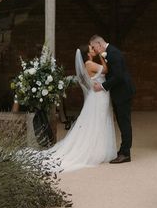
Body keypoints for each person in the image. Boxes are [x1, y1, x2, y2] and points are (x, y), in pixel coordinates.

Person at [22, 44, 117, 173]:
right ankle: (95, 151)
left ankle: (99, 149)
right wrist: (101, 56)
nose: (93, 50)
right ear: (87, 54)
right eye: (91, 49)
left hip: (99, 96)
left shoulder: (88, 64)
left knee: (98, 121)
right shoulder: (89, 64)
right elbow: (106, 70)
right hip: (98, 97)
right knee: (97, 121)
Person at [90, 35, 135, 164]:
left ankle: (125, 154)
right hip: (118, 93)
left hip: (123, 93)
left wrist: (102, 86)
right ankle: (123, 151)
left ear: (99, 43)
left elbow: (118, 77)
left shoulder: (113, 53)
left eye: (94, 47)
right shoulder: (108, 53)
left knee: (124, 123)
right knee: (121, 122)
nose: (94, 49)